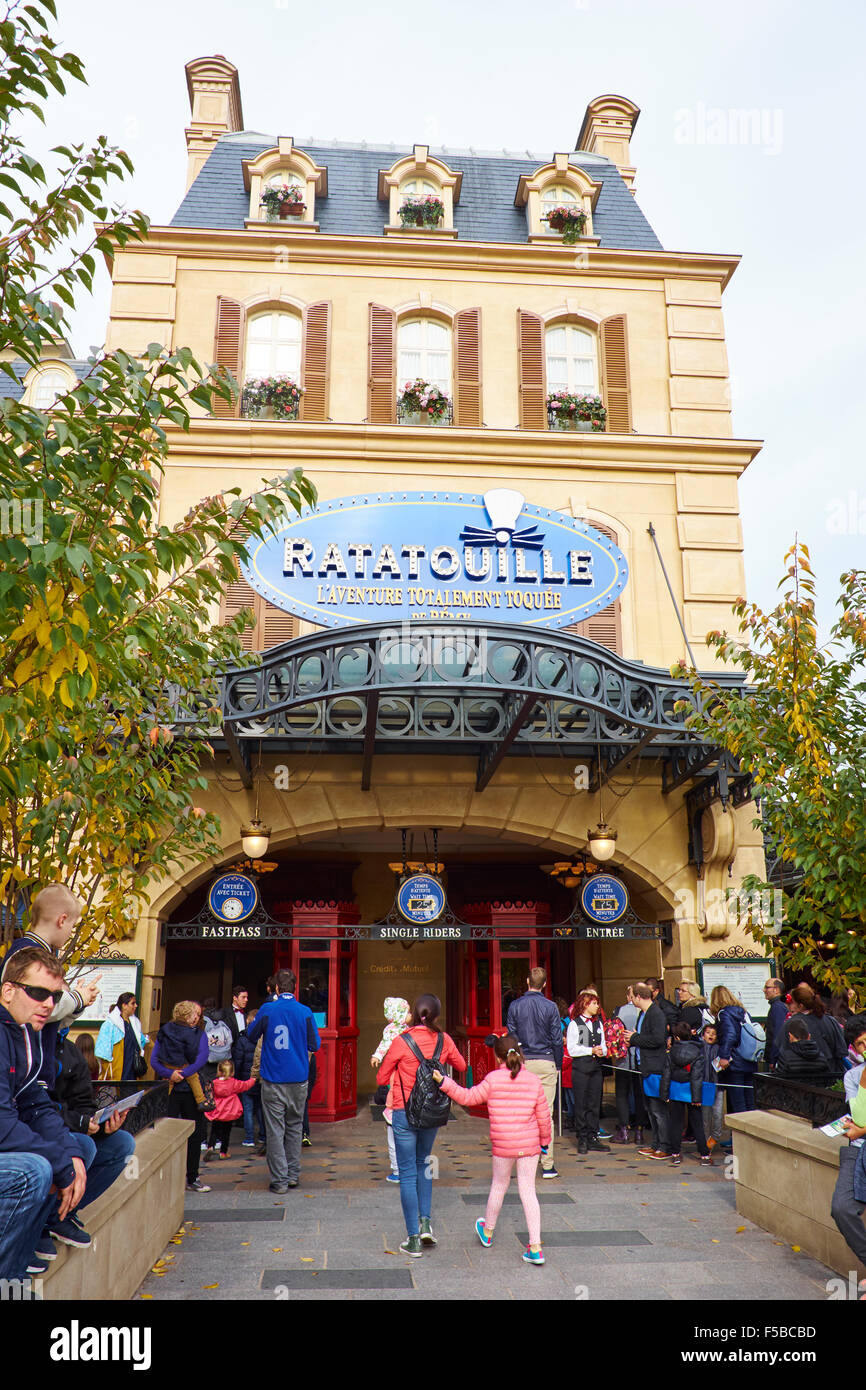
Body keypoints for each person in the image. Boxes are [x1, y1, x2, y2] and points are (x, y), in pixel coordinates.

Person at [0, 948, 93, 1279]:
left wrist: (69, 1154)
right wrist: (60, 1163)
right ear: (8, 990)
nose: (49, 1004)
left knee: (81, 1150)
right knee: (33, 1171)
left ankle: (22, 1264)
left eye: (55, 996)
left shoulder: (22, 1031)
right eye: (38, 993)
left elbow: (34, 1102)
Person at [434, 1033, 550, 1265]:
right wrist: (544, 1142)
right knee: (528, 1191)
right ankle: (535, 1247)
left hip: (503, 1144)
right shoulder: (534, 1081)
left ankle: (487, 1232)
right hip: (529, 1145)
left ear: (497, 1057)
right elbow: (544, 1118)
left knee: (499, 1184)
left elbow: (467, 1097)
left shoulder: (492, 1080)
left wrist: (444, 1082)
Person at [376, 994, 466, 1257]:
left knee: (406, 1172)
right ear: (437, 1015)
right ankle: (426, 1223)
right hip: (432, 1113)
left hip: (404, 1112)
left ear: (414, 1013)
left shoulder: (401, 1041)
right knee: (424, 1163)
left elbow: (382, 1076)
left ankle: (413, 1239)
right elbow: (461, 1064)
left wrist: (399, 1070)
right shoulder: (444, 1039)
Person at [1, 885, 102, 1079]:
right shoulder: (29, 956)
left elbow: (49, 1018)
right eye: (72, 926)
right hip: (25, 1073)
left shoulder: (31, 951)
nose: (70, 932)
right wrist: (76, 999)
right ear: (62, 920)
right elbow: (31, 1008)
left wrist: (76, 1005)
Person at [246, 969, 320, 1195]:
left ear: (276, 988)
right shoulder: (305, 1011)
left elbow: (250, 1035)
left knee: (275, 1129)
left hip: (273, 1077)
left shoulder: (268, 1009)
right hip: (298, 1078)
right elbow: (314, 1044)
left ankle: (279, 1180)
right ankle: (293, 1175)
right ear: (295, 988)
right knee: (295, 1126)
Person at [505, 966, 562, 1179]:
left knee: (520, 1113)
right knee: (545, 1114)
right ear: (544, 984)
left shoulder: (515, 1006)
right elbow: (557, 1038)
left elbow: (511, 1036)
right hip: (546, 1059)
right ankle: (547, 1164)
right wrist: (557, 1063)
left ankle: (519, 1158)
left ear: (527, 982)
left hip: (524, 1062)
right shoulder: (551, 1007)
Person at [150, 1000, 211, 1193]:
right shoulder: (199, 1035)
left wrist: (170, 1074)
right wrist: (183, 1074)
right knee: (194, 1133)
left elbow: (154, 1060)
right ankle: (192, 1177)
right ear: (188, 1016)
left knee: (165, 1131)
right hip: (190, 1091)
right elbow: (202, 1058)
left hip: (170, 1088)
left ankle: (166, 1177)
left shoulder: (164, 1031)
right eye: (197, 1014)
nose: (198, 1018)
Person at [831, 1014, 866, 1299]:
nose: (865, 1048)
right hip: (858, 1151)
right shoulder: (854, 1075)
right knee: (841, 1208)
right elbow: (857, 1115)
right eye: (860, 1044)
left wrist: (862, 1128)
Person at [370, 997, 412, 1182]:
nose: (411, 1015)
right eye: (408, 1011)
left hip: (400, 1085)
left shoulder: (409, 1030)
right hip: (401, 1084)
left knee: (395, 1130)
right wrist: (377, 1055)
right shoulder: (395, 1031)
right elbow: (383, 1044)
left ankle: (398, 1169)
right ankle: (401, 1168)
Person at [627, 982, 670, 1159]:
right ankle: (655, 1144)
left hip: (655, 1067)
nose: (629, 999)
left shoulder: (656, 1014)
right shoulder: (643, 1014)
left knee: (658, 1109)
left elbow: (658, 1040)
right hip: (643, 1066)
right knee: (650, 1109)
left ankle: (665, 1146)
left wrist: (635, 1038)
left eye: (631, 995)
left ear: (638, 997)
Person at [661, 1021, 713, 1166]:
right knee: (697, 1123)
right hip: (691, 1091)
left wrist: (664, 1094)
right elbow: (696, 1076)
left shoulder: (671, 1052)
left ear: (676, 1037)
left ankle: (675, 1153)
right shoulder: (697, 1052)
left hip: (676, 1090)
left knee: (676, 1123)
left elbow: (666, 1074)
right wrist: (697, 1097)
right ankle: (704, 1154)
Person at [567, 989, 610, 1155]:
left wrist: (602, 1051)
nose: (597, 1006)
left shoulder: (598, 1023)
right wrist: (590, 1050)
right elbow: (572, 1049)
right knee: (581, 1104)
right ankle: (582, 1137)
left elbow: (604, 1045)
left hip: (595, 1069)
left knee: (594, 1103)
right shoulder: (574, 1024)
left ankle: (593, 1136)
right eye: (594, 1003)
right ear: (585, 1005)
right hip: (581, 1069)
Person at [711, 985, 758, 1114]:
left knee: (738, 1103)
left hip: (735, 1062)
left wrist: (724, 1056)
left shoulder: (723, 1014)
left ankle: (740, 1133)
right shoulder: (743, 1012)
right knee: (750, 1101)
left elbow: (730, 1035)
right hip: (749, 1059)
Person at [611, 984, 647, 1145]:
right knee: (639, 1095)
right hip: (639, 1058)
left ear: (628, 996)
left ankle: (624, 1130)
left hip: (623, 1058)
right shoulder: (645, 1011)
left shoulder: (619, 1011)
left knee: (621, 1094)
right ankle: (639, 1132)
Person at [788, 983, 847, 1081]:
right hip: (832, 1074)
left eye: (792, 1002)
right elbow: (842, 1050)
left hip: (807, 1077)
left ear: (800, 1005)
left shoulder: (794, 1023)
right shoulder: (830, 1020)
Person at [203, 1060, 256, 1160]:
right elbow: (245, 1085)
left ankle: (210, 1147)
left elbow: (207, 1092)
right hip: (229, 1113)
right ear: (232, 1072)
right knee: (226, 1133)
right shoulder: (234, 1083)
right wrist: (253, 1079)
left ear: (218, 1071)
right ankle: (223, 1153)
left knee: (214, 1130)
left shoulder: (214, 1083)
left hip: (217, 1112)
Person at [94, 992, 148, 1081]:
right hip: (117, 1072)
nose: (136, 1006)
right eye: (133, 1003)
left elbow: (140, 1043)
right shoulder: (110, 1025)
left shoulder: (135, 1023)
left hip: (133, 1073)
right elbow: (102, 1051)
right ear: (124, 1005)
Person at [233, 1008, 264, 1148]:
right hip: (260, 1078)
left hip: (246, 1079)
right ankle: (263, 1135)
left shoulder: (242, 1040)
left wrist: (237, 1078)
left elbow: (238, 1060)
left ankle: (249, 1138)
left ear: (247, 1021)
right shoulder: (264, 1037)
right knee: (260, 1108)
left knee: (248, 1108)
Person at [774, 1016, 834, 1085]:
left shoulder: (786, 1057)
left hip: (793, 1094)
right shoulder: (822, 1057)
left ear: (790, 1036)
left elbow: (778, 1080)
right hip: (816, 1094)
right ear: (809, 1036)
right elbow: (828, 1081)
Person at [700, 1022, 724, 1149]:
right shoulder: (699, 1048)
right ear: (703, 1035)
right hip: (704, 1086)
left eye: (714, 1034)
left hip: (717, 1085)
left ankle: (715, 1136)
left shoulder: (719, 1049)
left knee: (717, 1114)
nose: (711, 1035)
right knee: (705, 1116)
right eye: (708, 1033)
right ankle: (705, 1142)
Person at [554, 997, 574, 1130]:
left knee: (570, 1097)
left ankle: (570, 1118)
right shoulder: (570, 1021)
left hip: (567, 1069)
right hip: (568, 1072)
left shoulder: (560, 1023)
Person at [763, 977, 789, 1067]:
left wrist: (773, 1058)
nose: (763, 990)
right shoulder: (778, 1005)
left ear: (776, 990)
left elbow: (778, 1033)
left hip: (777, 1060)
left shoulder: (777, 1007)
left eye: (767, 987)